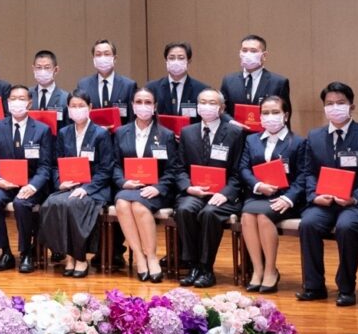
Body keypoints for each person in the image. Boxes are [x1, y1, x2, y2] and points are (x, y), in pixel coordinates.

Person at [296, 82, 358, 306]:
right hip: (324, 201)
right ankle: (314, 286)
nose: (335, 107)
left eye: (340, 103)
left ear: (351, 106)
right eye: (329, 104)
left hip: (355, 203)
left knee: (346, 226)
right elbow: (308, 172)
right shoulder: (314, 136)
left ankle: (346, 287)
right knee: (308, 223)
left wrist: (354, 197)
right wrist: (314, 195)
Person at [173, 89, 246, 288]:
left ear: (221, 108)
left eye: (212, 102)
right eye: (202, 102)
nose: (206, 106)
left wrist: (225, 194)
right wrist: (188, 188)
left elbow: (240, 171)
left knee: (209, 213)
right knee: (185, 209)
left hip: (223, 194)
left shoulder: (235, 133)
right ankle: (193, 265)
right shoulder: (188, 132)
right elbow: (179, 168)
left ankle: (206, 268)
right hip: (196, 191)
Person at [39, 90, 116, 279]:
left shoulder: (101, 134)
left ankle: (80, 257)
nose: (77, 109)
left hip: (94, 187)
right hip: (69, 186)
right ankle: (68, 255)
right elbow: (56, 164)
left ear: (90, 108)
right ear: (68, 109)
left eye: (81, 105)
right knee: (52, 203)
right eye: (73, 106)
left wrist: (86, 188)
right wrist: (61, 183)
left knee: (74, 204)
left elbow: (106, 169)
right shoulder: (64, 133)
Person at [238, 95, 310, 294]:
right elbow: (244, 168)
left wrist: (289, 198)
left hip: (285, 198)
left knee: (263, 217)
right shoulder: (251, 140)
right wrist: (258, 185)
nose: (270, 117)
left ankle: (271, 270)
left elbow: (304, 175)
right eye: (266, 113)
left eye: (275, 112)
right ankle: (258, 269)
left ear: (285, 115)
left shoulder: (298, 142)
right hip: (258, 194)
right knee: (246, 216)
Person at [111, 89, 180, 283]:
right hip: (128, 187)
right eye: (139, 101)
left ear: (155, 106)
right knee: (123, 204)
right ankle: (139, 257)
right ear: (132, 106)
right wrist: (123, 182)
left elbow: (172, 169)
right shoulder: (120, 132)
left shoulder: (165, 135)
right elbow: (115, 165)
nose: (143, 105)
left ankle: (151, 256)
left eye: (148, 102)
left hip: (156, 190)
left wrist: (158, 187)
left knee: (139, 206)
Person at [0, 84, 54, 273]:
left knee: (21, 203)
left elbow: (45, 166)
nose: (17, 102)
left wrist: (33, 186)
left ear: (30, 103)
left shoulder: (42, 130)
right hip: (4, 182)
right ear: (7, 103)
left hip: (31, 184)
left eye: (22, 99)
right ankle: (5, 252)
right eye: (13, 99)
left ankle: (26, 253)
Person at [221, 34, 291, 109]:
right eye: (244, 50)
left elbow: (285, 113)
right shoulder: (229, 81)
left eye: (253, 51)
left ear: (264, 56)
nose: (248, 54)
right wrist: (232, 121)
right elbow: (222, 110)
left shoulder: (278, 82)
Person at [147, 41, 212, 117]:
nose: (176, 62)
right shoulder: (152, 88)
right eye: (171, 58)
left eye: (181, 58)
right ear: (166, 61)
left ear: (189, 61)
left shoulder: (202, 90)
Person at [77, 39, 135, 111]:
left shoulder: (128, 85)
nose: (102, 58)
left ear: (115, 59)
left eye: (107, 54)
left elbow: (132, 117)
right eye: (98, 55)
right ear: (94, 59)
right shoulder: (84, 85)